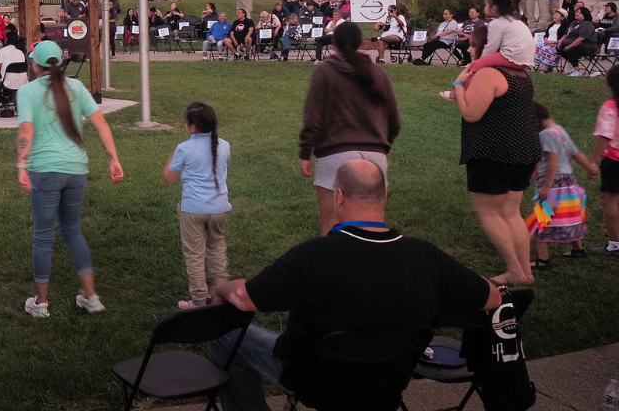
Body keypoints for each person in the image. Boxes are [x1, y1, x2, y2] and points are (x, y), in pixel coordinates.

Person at [208, 160, 502, 411]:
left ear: (339, 197)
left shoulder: (313, 256)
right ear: (385, 195)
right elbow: (492, 298)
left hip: (314, 382)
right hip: (388, 383)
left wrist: (220, 288)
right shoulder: (425, 255)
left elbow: (245, 299)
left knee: (225, 333)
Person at [17, 40, 124, 317]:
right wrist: (113, 159)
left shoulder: (27, 92)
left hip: (45, 170)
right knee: (72, 230)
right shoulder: (77, 87)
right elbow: (101, 122)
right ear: (61, 63)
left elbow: (26, 129)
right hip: (77, 169)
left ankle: (41, 304)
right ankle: (91, 296)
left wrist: (22, 164)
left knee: (43, 236)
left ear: (35, 64)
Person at [453, 21, 541, 285]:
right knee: (511, 213)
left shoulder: (488, 73)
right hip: (523, 151)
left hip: (494, 154)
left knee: (489, 212)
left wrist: (458, 84)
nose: (469, 49)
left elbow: (470, 114)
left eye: (472, 44)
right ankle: (526, 271)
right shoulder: (520, 73)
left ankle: (515, 270)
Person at [300, 22, 400, 234]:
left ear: (334, 43)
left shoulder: (324, 72)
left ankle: (336, 267)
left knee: (331, 226)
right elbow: (394, 121)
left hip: (334, 155)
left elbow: (312, 118)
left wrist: (305, 152)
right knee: (373, 226)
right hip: (375, 157)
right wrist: (384, 148)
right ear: (360, 42)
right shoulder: (378, 73)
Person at [164, 102, 232, 309]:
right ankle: (221, 294)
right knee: (217, 249)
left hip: (193, 210)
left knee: (195, 255)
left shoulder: (184, 148)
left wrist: (174, 155)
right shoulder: (225, 145)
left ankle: (198, 300)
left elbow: (169, 177)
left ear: (192, 126)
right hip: (219, 209)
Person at [530, 102, 597, 268]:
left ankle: (543, 260)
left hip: (552, 185)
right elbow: (576, 153)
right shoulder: (559, 130)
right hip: (569, 183)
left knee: (543, 219)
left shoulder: (545, 134)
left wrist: (546, 186)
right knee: (570, 216)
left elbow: (553, 161)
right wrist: (590, 168)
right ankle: (578, 250)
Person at [591, 66, 619, 255]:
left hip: (614, 162)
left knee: (610, 201)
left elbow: (604, 138)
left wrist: (593, 162)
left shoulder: (610, 107)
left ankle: (615, 244)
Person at [556, 6, 598, 76]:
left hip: (586, 46)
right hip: (572, 44)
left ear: (585, 15)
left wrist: (569, 46)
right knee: (559, 48)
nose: (577, 14)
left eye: (580, 13)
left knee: (570, 50)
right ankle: (571, 63)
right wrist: (560, 41)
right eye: (577, 12)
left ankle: (577, 70)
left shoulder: (587, 24)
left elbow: (581, 38)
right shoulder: (573, 23)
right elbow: (566, 34)